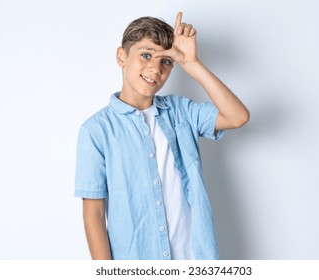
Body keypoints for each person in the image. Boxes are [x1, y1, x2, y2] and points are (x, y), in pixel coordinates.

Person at [74, 12, 249, 260]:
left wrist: (192, 64)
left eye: (166, 61)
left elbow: (237, 116)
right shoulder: (96, 131)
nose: (155, 68)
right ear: (121, 56)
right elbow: (93, 211)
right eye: (146, 55)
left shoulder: (181, 111)